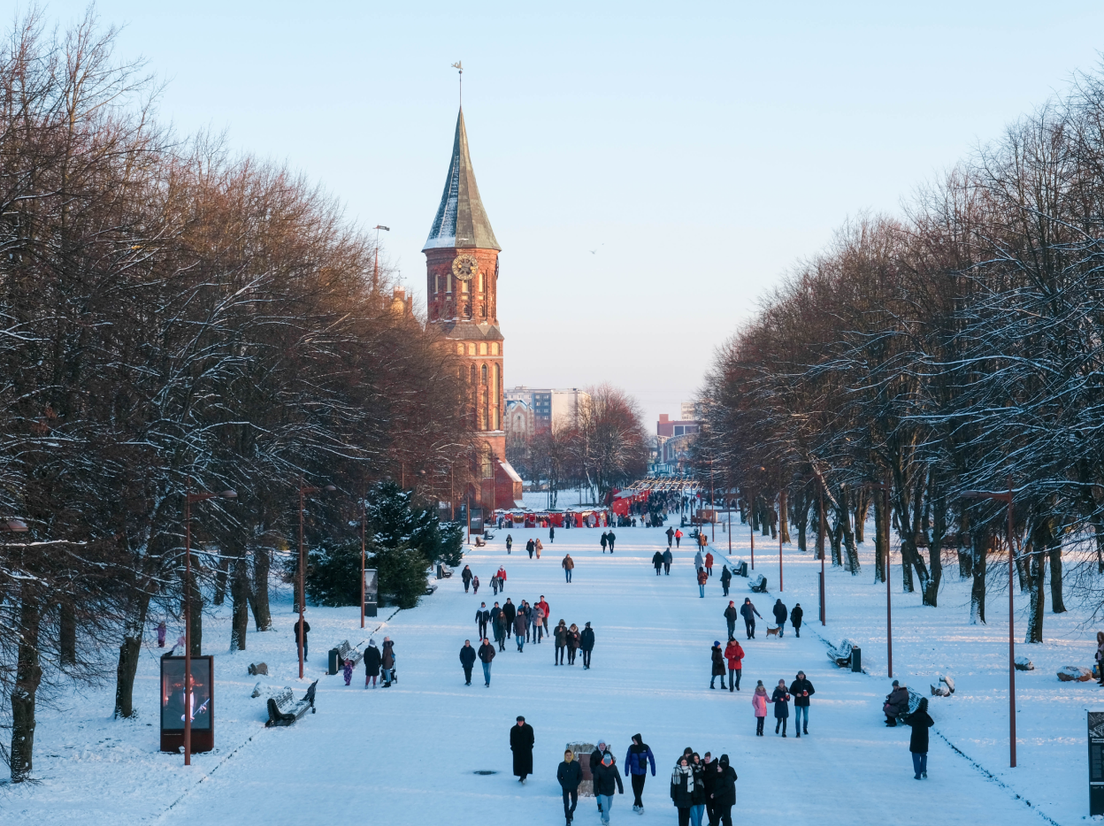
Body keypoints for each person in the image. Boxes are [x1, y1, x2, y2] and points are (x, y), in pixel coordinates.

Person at [624, 733, 656, 814]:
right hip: (634, 772)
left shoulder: (645, 747)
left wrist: (653, 770)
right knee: (635, 789)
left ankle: (635, 804)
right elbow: (627, 759)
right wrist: (626, 770)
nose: (634, 742)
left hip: (642, 771)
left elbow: (651, 758)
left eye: (635, 740)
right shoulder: (631, 748)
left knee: (640, 789)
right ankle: (641, 806)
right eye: (633, 740)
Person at [592, 752, 624, 825]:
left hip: (610, 790)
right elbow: (596, 780)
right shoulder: (599, 768)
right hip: (602, 791)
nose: (607, 764)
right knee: (605, 808)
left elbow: (618, 778)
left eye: (608, 762)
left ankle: (603, 815)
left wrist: (620, 789)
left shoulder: (614, 767)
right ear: (603, 760)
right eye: (606, 762)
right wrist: (596, 791)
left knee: (609, 806)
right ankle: (606, 821)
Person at [906, 697, 934, 779]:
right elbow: (931, 723)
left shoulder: (914, 715)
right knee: (924, 755)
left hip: (915, 739)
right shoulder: (926, 716)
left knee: (915, 757)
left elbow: (907, 721)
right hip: (924, 739)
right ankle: (924, 770)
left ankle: (917, 774)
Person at [709, 755, 737, 826]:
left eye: (719, 766)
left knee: (726, 817)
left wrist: (716, 794)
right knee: (716, 816)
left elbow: (726, 788)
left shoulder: (729, 773)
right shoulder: (719, 773)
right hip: (719, 799)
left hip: (727, 800)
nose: (717, 767)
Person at [558, 749, 583, 824]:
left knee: (574, 803)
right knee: (566, 803)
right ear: (565, 756)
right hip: (565, 787)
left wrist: (576, 783)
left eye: (570, 755)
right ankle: (567, 820)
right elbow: (559, 776)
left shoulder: (576, 764)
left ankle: (571, 812)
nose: (568, 757)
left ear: (572, 756)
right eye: (567, 755)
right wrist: (563, 784)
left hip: (574, 787)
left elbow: (580, 775)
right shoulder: (561, 765)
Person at [670, 756, 694, 826]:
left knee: (686, 817)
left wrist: (693, 796)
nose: (684, 764)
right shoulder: (675, 770)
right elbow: (673, 785)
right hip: (679, 797)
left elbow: (693, 785)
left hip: (688, 797)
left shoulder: (690, 770)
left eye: (685, 762)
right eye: (682, 762)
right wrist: (673, 796)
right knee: (680, 815)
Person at [510, 715, 535, 783]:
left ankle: (524, 776)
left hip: (526, 750)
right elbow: (512, 740)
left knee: (526, 763)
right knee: (518, 763)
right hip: (517, 750)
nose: (520, 723)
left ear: (524, 721)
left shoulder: (529, 728)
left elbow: (532, 738)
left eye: (521, 721)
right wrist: (513, 747)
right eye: (518, 721)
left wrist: (530, 746)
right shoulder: (513, 729)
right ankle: (521, 776)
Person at [789, 670, 814, 736]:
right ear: (798, 675)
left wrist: (808, 693)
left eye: (802, 675)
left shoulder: (807, 682)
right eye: (799, 675)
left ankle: (805, 728)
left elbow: (813, 690)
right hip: (798, 702)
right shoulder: (795, 683)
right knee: (797, 717)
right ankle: (798, 731)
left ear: (804, 675)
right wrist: (796, 694)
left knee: (806, 717)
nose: (801, 676)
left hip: (806, 702)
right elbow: (791, 690)